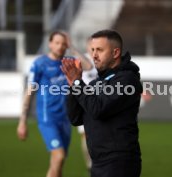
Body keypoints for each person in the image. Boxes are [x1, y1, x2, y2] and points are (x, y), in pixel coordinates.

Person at [61, 29, 142, 177]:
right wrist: (72, 84)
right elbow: (76, 118)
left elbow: (98, 109)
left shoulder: (127, 80)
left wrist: (77, 82)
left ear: (115, 53)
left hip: (119, 163)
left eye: (99, 50)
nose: (94, 55)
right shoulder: (95, 83)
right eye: (92, 50)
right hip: (98, 162)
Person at [16, 30, 92, 177]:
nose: (60, 46)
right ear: (50, 44)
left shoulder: (69, 61)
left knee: (57, 163)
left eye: (63, 44)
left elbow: (88, 66)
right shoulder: (40, 64)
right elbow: (29, 92)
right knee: (59, 156)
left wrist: (72, 47)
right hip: (48, 118)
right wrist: (22, 121)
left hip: (66, 119)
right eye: (57, 43)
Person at [77, 37, 97, 170]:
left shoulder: (103, 60)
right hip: (84, 103)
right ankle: (90, 163)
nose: (93, 50)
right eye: (91, 46)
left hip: (100, 102)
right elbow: (88, 67)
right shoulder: (82, 59)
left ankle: (97, 162)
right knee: (86, 136)